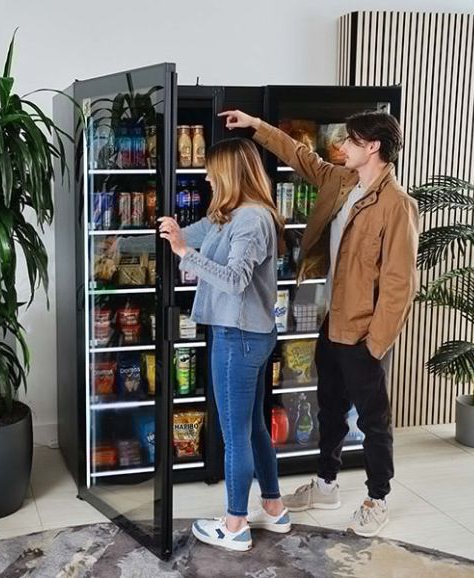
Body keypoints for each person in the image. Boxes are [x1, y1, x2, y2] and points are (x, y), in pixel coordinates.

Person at [219, 109, 419, 537]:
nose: (341, 147)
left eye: (350, 141)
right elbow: (300, 155)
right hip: (333, 322)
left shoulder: (397, 206)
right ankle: (327, 484)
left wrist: (376, 344)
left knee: (372, 420)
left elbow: (400, 285)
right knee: (329, 407)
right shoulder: (342, 181)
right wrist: (256, 125)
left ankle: (377, 498)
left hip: (364, 333)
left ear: (373, 148)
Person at [157, 138, 290, 552]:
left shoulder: (250, 220)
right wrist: (174, 231)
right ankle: (273, 506)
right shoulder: (230, 215)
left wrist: (183, 252)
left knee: (234, 436)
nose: (206, 175)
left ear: (230, 173)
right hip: (248, 334)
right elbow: (197, 230)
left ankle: (234, 525)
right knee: (252, 427)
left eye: (213, 169)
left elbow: (234, 280)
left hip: (238, 338)